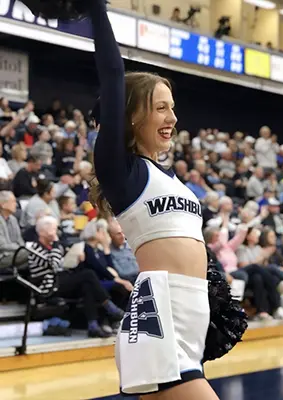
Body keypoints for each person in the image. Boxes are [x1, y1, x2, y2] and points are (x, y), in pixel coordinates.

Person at [86, 0, 241, 397]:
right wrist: (96, 9)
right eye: (160, 108)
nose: (172, 118)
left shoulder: (172, 178)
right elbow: (113, 73)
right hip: (161, 317)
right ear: (132, 115)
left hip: (190, 316)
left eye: (173, 108)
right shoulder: (124, 172)